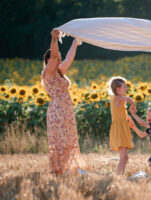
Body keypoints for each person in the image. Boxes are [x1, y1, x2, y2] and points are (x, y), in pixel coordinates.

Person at [41, 29, 85, 175]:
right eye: (55, 58)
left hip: (66, 110)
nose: (58, 59)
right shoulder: (48, 72)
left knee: (68, 139)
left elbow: (68, 59)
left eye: (59, 58)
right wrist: (54, 39)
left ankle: (65, 168)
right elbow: (54, 56)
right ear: (48, 61)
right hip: (57, 110)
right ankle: (57, 170)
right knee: (59, 140)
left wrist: (75, 43)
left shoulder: (59, 72)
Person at [108, 76, 136, 175]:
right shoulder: (116, 98)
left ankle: (120, 175)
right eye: (125, 86)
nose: (126, 88)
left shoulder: (120, 100)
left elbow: (123, 113)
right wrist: (133, 105)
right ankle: (118, 177)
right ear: (118, 89)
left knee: (125, 157)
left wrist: (130, 119)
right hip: (119, 129)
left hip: (123, 127)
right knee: (123, 157)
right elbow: (128, 99)